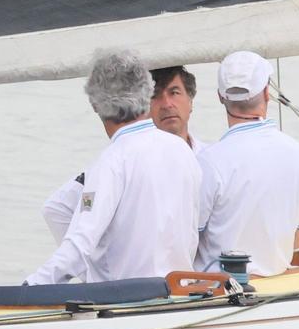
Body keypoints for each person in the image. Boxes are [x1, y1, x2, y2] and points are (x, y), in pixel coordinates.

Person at [26, 50, 200, 284]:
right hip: (179, 294)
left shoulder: (110, 162)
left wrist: (31, 286)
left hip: (125, 302)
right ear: (147, 93)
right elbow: (191, 236)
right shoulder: (183, 152)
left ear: (95, 105)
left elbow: (79, 243)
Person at [41, 65, 205, 243]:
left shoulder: (211, 159)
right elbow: (57, 208)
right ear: (142, 105)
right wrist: (95, 266)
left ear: (190, 101)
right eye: (155, 96)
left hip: (202, 269)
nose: (166, 104)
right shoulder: (120, 161)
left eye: (174, 92)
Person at [194, 51, 299, 275]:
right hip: (278, 288)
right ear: (267, 93)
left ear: (220, 97)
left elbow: (188, 240)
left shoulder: (208, 162)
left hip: (220, 293)